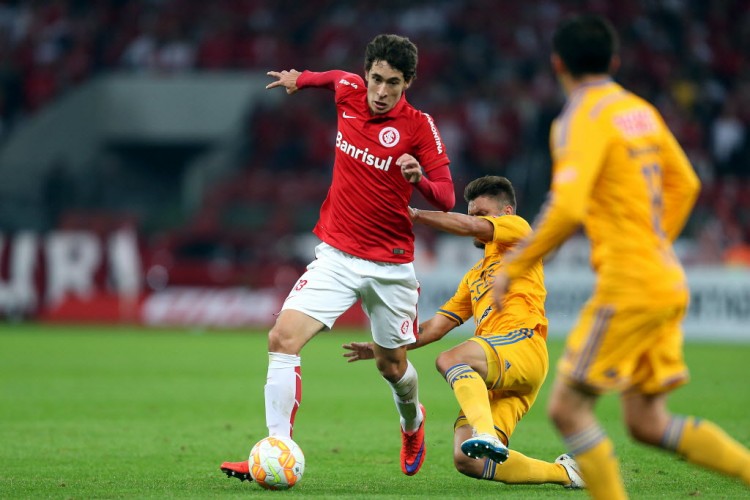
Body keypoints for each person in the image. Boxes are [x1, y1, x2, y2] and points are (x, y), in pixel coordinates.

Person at [493, 14, 750, 499]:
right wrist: (656, 240)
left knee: (567, 409)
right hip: (665, 277)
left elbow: (566, 206)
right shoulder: (641, 110)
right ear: (613, 61)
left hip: (630, 283)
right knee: (647, 422)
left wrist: (516, 264)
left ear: (557, 64)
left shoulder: (578, 118)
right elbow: (687, 183)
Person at [220, 33, 455, 480]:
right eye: (376, 79)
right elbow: (331, 79)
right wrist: (300, 79)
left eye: (394, 84)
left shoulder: (420, 127)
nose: (382, 92)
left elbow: (446, 197)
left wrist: (419, 177)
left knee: (392, 366)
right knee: (281, 339)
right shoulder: (349, 90)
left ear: (408, 84)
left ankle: (413, 422)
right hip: (337, 256)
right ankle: (276, 449)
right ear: (365, 74)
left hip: (390, 266)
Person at [343, 175, 584, 489]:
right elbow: (433, 327)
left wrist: (415, 215)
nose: (473, 221)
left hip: (522, 344)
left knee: (451, 358)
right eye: (470, 214)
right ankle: (566, 474)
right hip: (502, 371)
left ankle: (484, 431)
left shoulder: (519, 232)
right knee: (468, 460)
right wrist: (383, 347)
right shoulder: (474, 277)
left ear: (506, 213)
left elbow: (470, 229)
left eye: (481, 214)